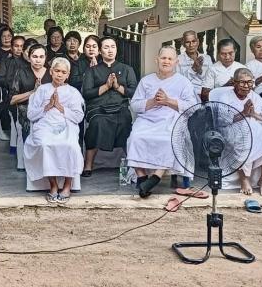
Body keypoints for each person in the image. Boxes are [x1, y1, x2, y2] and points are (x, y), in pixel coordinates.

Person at [126, 46, 197, 197]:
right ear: (157, 60)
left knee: (168, 139)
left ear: (176, 62)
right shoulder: (146, 81)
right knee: (135, 138)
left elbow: (192, 107)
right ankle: (142, 177)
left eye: (170, 59)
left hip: (171, 119)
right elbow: (134, 105)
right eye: (163, 58)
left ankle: (156, 177)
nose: (166, 61)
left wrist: (168, 101)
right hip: (147, 119)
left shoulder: (183, 82)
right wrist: (153, 101)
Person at [23, 57, 85, 204]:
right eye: (57, 71)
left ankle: (68, 186)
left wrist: (60, 107)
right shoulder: (42, 90)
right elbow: (31, 115)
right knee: (45, 144)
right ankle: (53, 185)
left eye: (63, 72)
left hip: (66, 123)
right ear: (51, 72)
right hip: (44, 123)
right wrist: (48, 106)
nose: (59, 75)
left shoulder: (73, 92)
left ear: (68, 75)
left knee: (70, 145)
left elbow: (78, 116)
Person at [210, 68, 262, 196]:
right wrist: (243, 113)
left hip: (256, 128)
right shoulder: (225, 97)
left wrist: (253, 114)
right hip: (233, 129)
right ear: (234, 82)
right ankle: (244, 180)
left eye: (250, 82)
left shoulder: (255, 96)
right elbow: (221, 121)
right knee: (244, 140)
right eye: (242, 82)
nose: (246, 86)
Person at [81, 36, 137, 177]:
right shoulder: (92, 70)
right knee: (97, 123)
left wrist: (117, 87)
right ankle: (88, 165)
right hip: (98, 108)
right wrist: (106, 86)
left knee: (125, 121)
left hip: (120, 107)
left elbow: (134, 92)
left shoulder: (127, 69)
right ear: (100, 51)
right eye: (106, 47)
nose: (110, 50)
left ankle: (133, 163)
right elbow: (86, 93)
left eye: (113, 47)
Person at [10, 44, 51, 142]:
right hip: (27, 114)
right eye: (35, 56)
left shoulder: (51, 73)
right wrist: (33, 92)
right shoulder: (21, 73)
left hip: (48, 113)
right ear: (29, 57)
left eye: (41, 57)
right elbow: (12, 100)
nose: (38, 60)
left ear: (45, 58)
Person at [177, 30, 212, 100]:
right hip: (187, 95)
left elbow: (210, 79)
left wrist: (200, 71)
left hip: (205, 94)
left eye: (193, 41)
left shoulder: (207, 58)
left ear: (198, 42)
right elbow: (179, 82)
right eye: (187, 42)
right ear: (183, 43)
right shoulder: (178, 59)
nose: (191, 45)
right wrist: (193, 69)